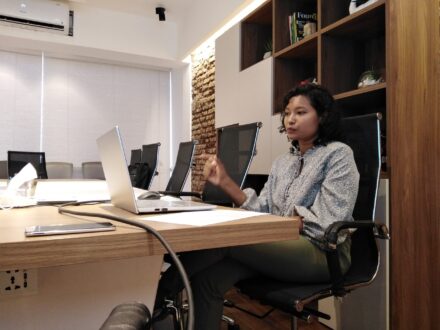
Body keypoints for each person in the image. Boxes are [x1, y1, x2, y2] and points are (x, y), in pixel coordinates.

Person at [154, 83, 360, 330]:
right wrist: (226, 183)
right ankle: (159, 297)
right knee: (208, 280)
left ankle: (158, 296)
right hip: (280, 243)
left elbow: (327, 225)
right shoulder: (283, 162)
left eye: (301, 112)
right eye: (286, 113)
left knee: (230, 235)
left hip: (323, 253)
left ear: (323, 116)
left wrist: (292, 220)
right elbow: (263, 210)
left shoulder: (338, 154)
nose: (290, 119)